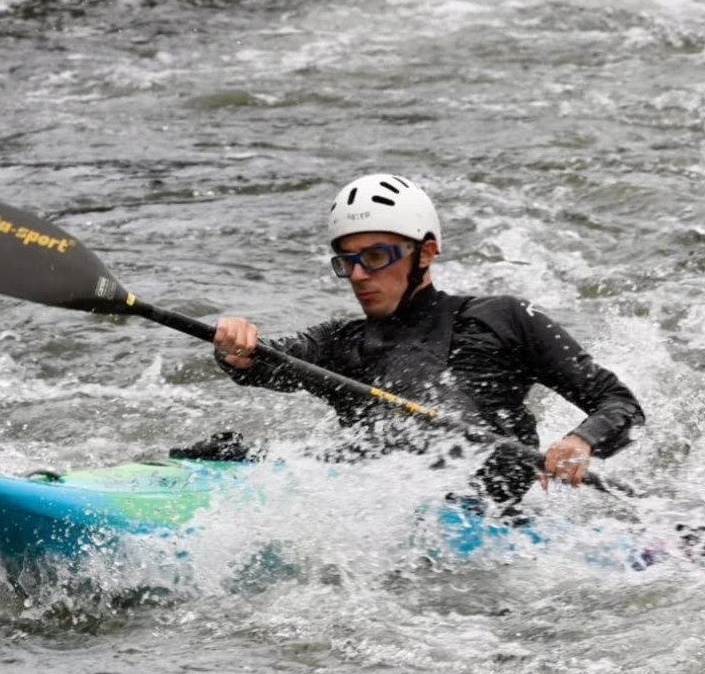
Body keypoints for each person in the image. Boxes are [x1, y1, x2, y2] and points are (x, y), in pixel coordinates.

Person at [212, 173, 645, 514]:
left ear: (426, 252)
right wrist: (236, 350)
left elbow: (619, 404)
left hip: (485, 524)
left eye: (376, 257)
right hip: (374, 518)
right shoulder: (339, 343)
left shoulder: (503, 319)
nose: (360, 274)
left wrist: (581, 441)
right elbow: (268, 362)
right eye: (348, 261)